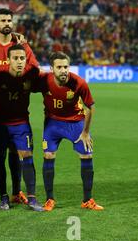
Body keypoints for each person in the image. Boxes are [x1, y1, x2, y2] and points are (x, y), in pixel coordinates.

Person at [0, 8, 39, 209]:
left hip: (17, 110)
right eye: (3, 20)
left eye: (9, 20)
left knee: (16, 151)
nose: (7, 23)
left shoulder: (21, 46)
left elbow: (35, 67)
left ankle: (17, 192)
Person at [34, 52, 104, 211]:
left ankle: (87, 200)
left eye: (66, 66)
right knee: (48, 155)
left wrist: (85, 132)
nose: (63, 70)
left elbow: (90, 108)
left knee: (87, 154)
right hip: (53, 124)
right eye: (59, 67)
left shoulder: (79, 83)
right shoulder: (44, 81)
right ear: (52, 68)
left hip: (75, 122)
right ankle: (49, 199)